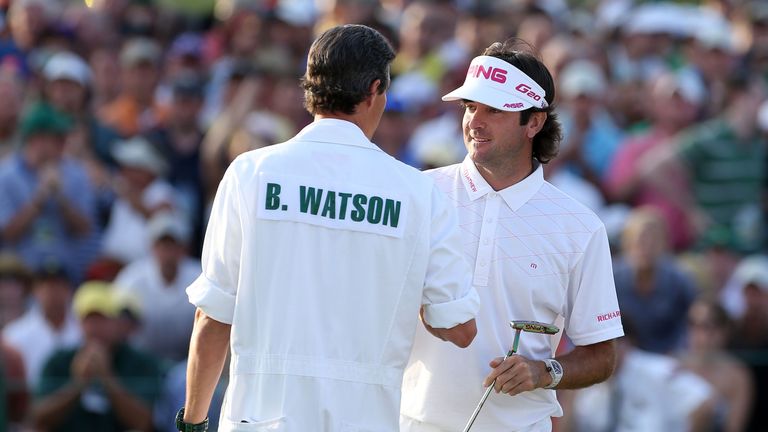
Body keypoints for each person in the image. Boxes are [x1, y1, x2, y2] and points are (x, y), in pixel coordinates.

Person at [180, 24, 479, 432]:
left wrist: (193, 423)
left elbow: (212, 317)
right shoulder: (417, 192)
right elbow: (459, 329)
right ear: (375, 91)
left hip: (260, 418)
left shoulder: (250, 173)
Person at [400, 40, 624, 432]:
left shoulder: (580, 227)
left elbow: (602, 354)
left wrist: (544, 372)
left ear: (534, 123)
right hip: (409, 421)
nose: (474, 122)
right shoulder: (417, 194)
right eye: (470, 107)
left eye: (494, 110)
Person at [30, 281, 164, 432]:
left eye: (103, 319)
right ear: (79, 323)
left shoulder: (140, 362)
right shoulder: (59, 360)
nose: (95, 327)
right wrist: (78, 384)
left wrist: (107, 378)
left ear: (117, 322)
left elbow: (145, 422)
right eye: (89, 319)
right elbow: (38, 418)